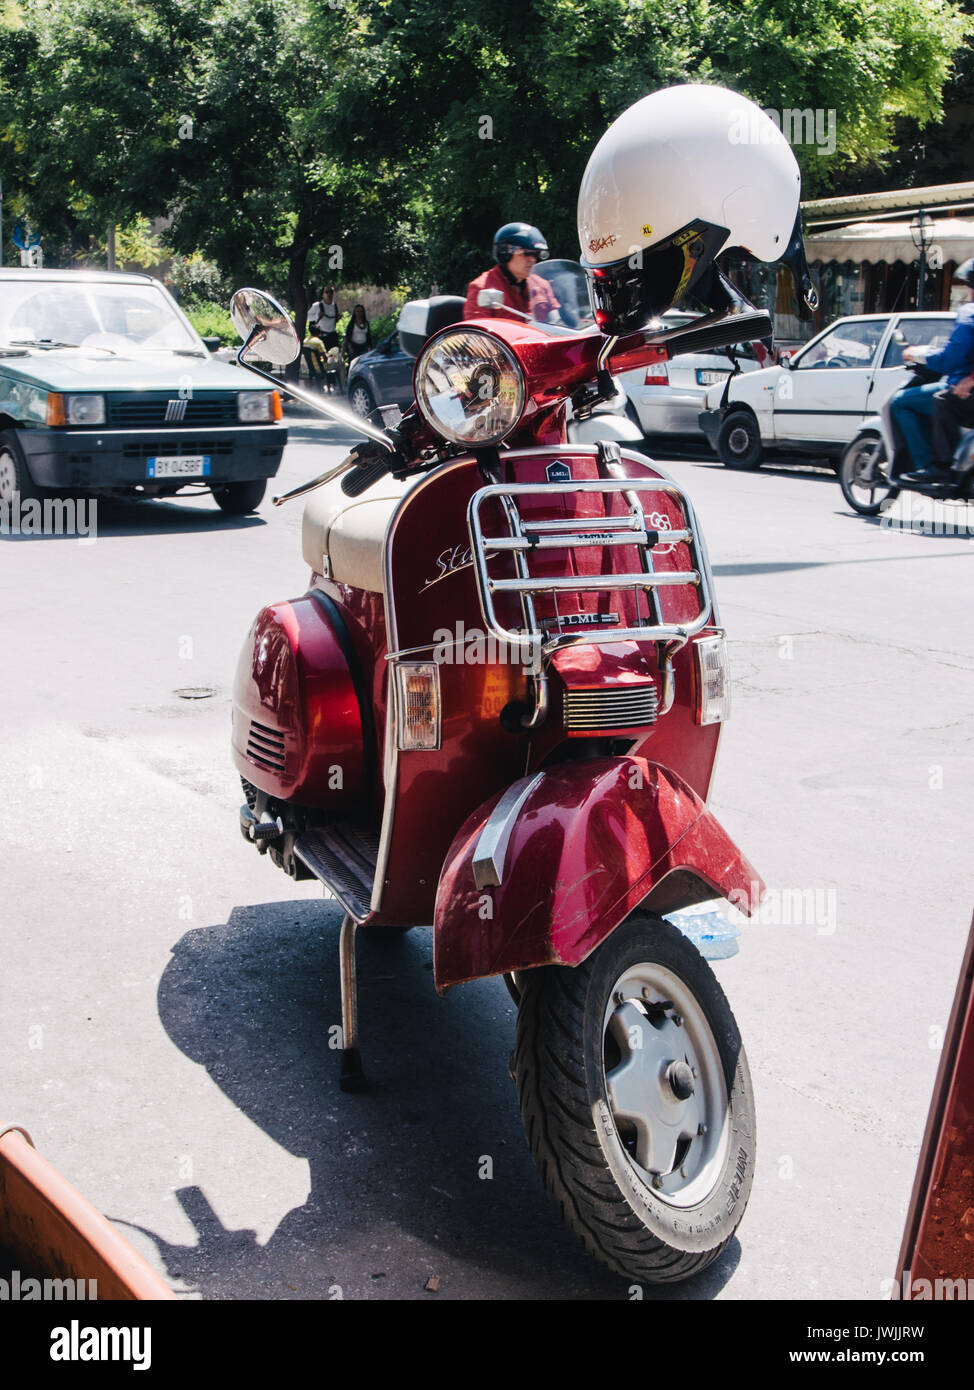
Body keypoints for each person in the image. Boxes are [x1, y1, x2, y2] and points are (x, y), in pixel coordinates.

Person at [893, 258, 974, 483]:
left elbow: (949, 359)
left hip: (964, 392)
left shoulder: (969, 314)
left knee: (903, 402)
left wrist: (918, 354)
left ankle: (933, 466)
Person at [464, 223, 561, 324]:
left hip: (540, 339)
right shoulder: (482, 288)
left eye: (536, 254)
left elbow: (558, 322)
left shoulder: (542, 285)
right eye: (527, 253)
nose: (532, 259)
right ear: (505, 253)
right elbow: (478, 333)